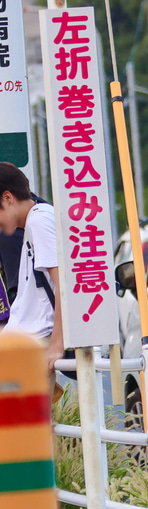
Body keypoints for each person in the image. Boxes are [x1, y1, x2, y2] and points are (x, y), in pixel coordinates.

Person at [0, 163, 64, 382]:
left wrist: (56, 344)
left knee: (25, 406)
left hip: (34, 342)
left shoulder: (39, 221)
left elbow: (63, 286)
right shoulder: (35, 220)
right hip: (23, 343)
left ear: (7, 198)